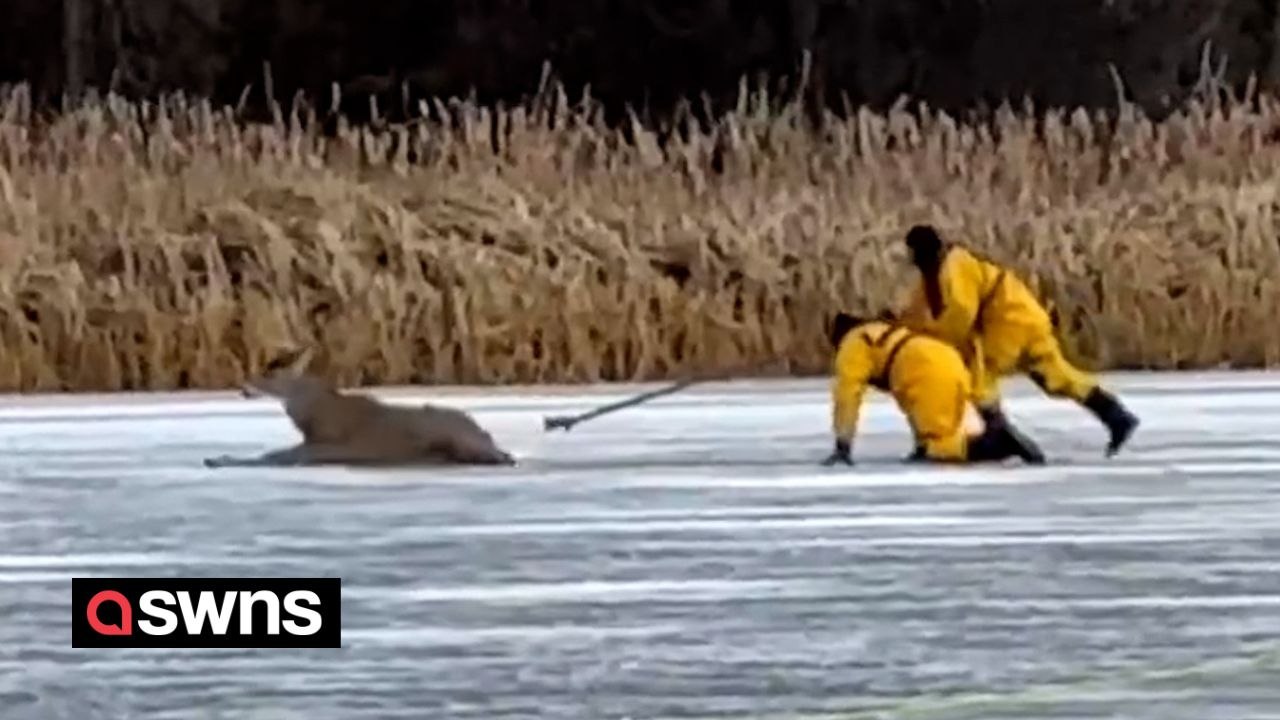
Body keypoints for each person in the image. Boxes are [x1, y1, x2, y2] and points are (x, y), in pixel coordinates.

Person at [895, 224, 1139, 456]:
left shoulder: (954, 271)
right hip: (1025, 316)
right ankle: (1115, 416)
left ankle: (996, 432)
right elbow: (923, 308)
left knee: (982, 372)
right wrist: (902, 324)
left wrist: (932, 337)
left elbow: (960, 316)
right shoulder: (940, 270)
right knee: (1055, 376)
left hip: (1009, 320)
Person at [821, 311, 1046, 466]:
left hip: (925, 371)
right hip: (945, 357)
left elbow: (847, 395)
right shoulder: (880, 332)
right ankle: (986, 435)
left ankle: (998, 443)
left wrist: (843, 444)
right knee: (940, 428)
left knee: (940, 446)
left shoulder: (852, 345)